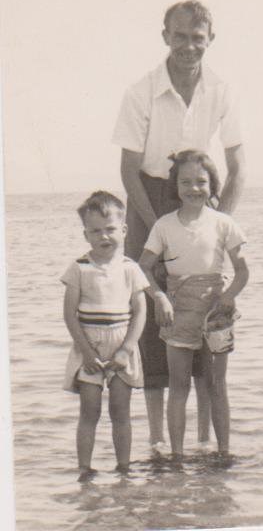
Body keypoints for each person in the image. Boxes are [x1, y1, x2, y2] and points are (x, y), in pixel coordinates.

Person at [112, 0, 245, 454]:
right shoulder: (141, 91)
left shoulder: (222, 89)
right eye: (181, 36)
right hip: (149, 200)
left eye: (198, 38)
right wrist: (159, 227)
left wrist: (219, 221)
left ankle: (207, 439)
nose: (189, 46)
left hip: (200, 193)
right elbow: (128, 170)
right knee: (152, 314)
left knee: (207, 306)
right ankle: (156, 440)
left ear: (210, 40)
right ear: (165, 35)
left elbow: (238, 164)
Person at [139, 150, 249, 459]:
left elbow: (242, 271)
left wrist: (226, 299)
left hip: (216, 310)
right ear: (175, 186)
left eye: (201, 181)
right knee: (179, 386)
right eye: (185, 182)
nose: (193, 188)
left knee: (216, 384)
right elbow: (143, 267)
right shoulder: (164, 225)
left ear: (213, 184)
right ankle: (176, 456)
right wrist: (159, 296)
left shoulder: (223, 223)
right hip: (179, 309)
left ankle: (223, 452)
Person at [61, 191, 149, 481]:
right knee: (90, 410)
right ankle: (85, 470)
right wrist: (86, 352)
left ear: (123, 230)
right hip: (89, 345)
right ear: (86, 234)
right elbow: (69, 314)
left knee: (120, 410)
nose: (104, 236)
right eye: (96, 230)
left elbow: (140, 313)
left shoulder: (130, 268)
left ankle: (123, 468)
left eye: (110, 229)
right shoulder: (79, 268)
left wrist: (125, 350)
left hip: (121, 343)